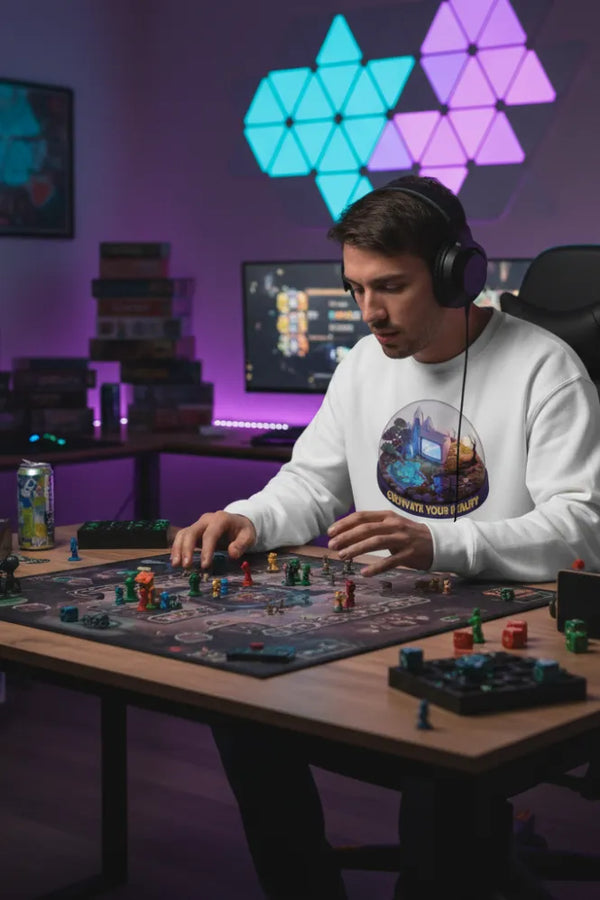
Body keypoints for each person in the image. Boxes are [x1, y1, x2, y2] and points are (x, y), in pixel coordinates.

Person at [171, 176, 600, 899]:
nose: (370, 312)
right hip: (382, 623)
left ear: (454, 272)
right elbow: (311, 483)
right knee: (242, 717)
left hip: (508, 640)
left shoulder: (545, 369)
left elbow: (582, 528)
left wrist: (441, 543)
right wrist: (250, 516)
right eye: (356, 290)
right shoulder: (363, 365)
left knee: (439, 766)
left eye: (391, 287)